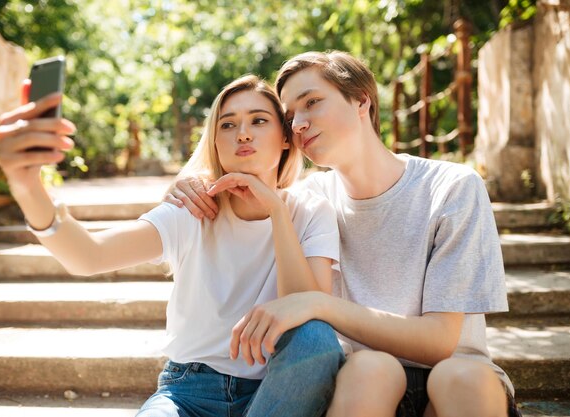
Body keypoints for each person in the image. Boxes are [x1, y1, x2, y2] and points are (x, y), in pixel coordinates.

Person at [166, 51, 522, 417]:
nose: (299, 124)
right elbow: (245, 189)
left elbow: (440, 342)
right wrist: (190, 184)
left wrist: (321, 304)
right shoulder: (309, 201)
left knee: (457, 376)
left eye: (312, 102)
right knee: (371, 368)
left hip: (456, 389)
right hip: (363, 391)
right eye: (289, 117)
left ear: (361, 101)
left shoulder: (450, 187)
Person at [0, 74, 344, 417]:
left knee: (315, 337)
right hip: (189, 391)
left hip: (275, 392)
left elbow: (306, 310)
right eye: (227, 125)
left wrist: (277, 212)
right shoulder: (193, 208)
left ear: (285, 138)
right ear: (215, 143)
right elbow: (89, 256)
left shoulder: (310, 212)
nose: (243, 133)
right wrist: (27, 186)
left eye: (259, 120)